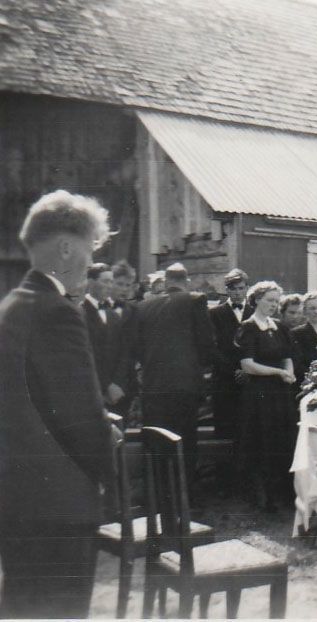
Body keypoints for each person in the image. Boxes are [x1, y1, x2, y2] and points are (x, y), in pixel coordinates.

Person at [0, 190, 116, 618]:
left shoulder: (12, 307)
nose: (90, 262)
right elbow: (80, 415)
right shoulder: (58, 311)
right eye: (91, 249)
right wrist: (106, 467)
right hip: (60, 506)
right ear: (67, 247)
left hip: (17, 497)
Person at [135, 262, 216, 494]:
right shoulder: (195, 300)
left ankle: (158, 496)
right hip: (184, 385)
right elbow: (206, 345)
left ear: (166, 281)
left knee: (156, 440)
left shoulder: (144, 306)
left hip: (153, 385)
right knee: (184, 440)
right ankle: (184, 496)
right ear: (186, 281)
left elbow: (138, 347)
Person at [236, 281, 297, 512]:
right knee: (263, 443)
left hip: (281, 393)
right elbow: (248, 365)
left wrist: (288, 371)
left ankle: (284, 495)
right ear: (256, 300)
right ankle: (264, 499)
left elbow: (287, 356)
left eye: (276, 301)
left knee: (283, 441)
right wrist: (279, 372)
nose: (274, 305)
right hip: (259, 395)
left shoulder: (280, 327)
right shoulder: (248, 328)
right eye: (270, 300)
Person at [209, 268, 249, 443]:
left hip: (250, 380)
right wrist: (233, 371)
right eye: (233, 289)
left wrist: (247, 370)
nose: (238, 293)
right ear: (227, 290)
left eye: (241, 288)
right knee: (226, 432)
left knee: (249, 431)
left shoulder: (256, 312)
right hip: (225, 380)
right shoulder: (214, 313)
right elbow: (212, 348)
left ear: (247, 288)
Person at [82, 262, 126, 409]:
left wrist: (117, 384)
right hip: (91, 390)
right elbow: (85, 354)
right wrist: (106, 385)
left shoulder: (113, 315)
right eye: (105, 281)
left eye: (111, 282)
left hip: (116, 394)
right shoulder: (79, 313)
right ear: (91, 282)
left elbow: (122, 352)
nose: (109, 286)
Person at [110, 259, 140, 420]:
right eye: (120, 284)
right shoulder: (97, 310)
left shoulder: (135, 311)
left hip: (126, 386)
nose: (124, 289)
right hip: (101, 387)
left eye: (128, 285)